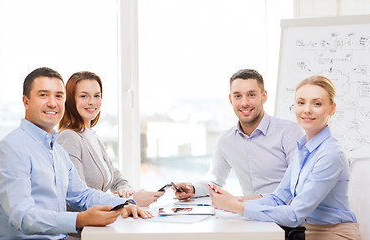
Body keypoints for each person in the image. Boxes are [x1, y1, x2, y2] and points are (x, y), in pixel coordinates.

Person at [0, 67, 152, 240]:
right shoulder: (11, 149)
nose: (52, 103)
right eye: (43, 95)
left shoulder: (56, 151)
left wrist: (123, 204)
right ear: (26, 101)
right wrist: (79, 219)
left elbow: (81, 194)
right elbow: (23, 217)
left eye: (58, 96)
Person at [208, 75, 361, 240]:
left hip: (334, 234)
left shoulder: (331, 154)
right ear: (294, 107)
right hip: (305, 231)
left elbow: (295, 214)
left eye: (317, 103)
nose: (307, 110)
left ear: (332, 109)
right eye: (301, 103)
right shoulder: (303, 149)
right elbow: (279, 197)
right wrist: (235, 203)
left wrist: (238, 207)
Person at [176, 69, 303, 200]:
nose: (244, 103)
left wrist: (241, 201)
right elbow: (214, 180)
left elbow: (298, 185)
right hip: (247, 214)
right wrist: (192, 188)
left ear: (263, 96)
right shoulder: (226, 139)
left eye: (251, 95)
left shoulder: (289, 132)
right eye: (238, 96)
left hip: (284, 216)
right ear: (231, 99)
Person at [57, 71, 164, 207]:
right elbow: (79, 197)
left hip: (100, 221)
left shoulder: (92, 137)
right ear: (71, 100)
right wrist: (129, 201)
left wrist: (124, 191)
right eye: (84, 96)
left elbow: (116, 178)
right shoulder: (69, 138)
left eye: (97, 96)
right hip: (83, 226)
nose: (92, 102)